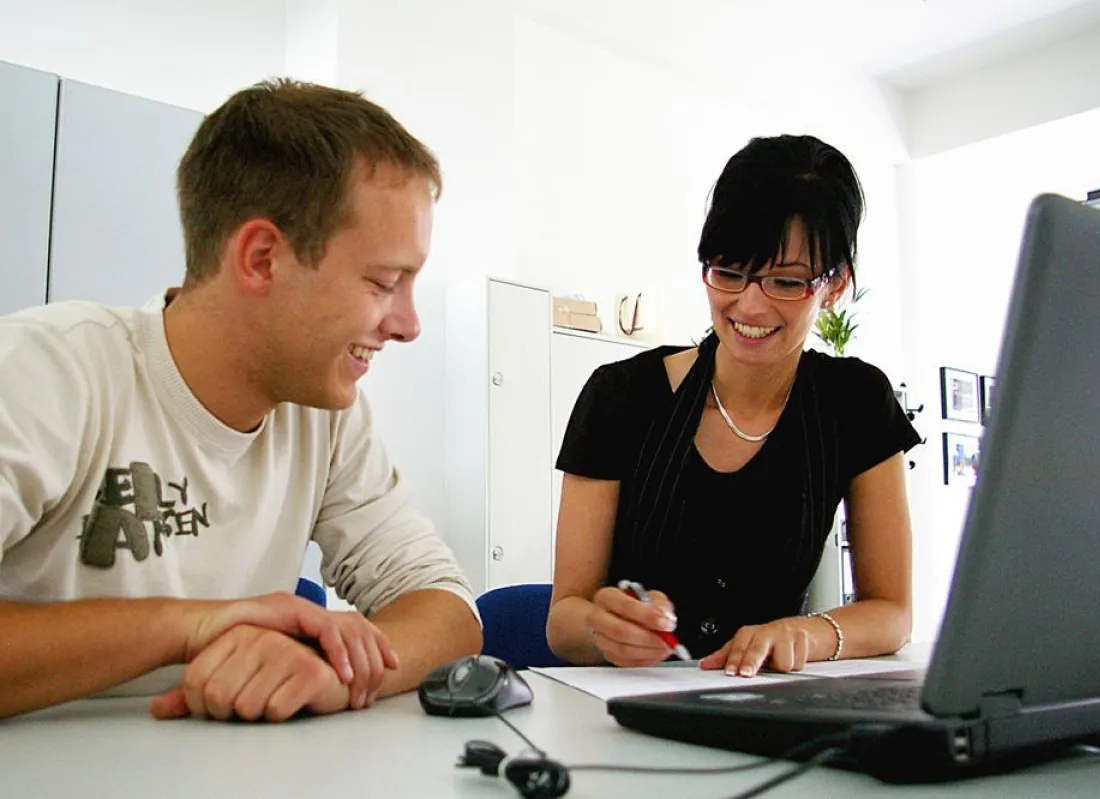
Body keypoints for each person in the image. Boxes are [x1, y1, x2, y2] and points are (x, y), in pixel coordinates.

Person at [0, 79, 481, 721]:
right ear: (261, 259)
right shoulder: (47, 370)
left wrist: (333, 671)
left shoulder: (326, 415)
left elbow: (445, 605)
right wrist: (195, 627)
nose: (408, 324)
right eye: (383, 282)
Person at [547, 134, 921, 677]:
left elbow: (892, 612)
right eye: (728, 272)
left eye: (787, 282)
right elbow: (563, 621)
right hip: (628, 706)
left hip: (767, 706)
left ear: (835, 284)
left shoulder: (855, 401)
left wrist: (806, 634)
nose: (750, 304)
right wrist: (603, 631)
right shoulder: (620, 396)